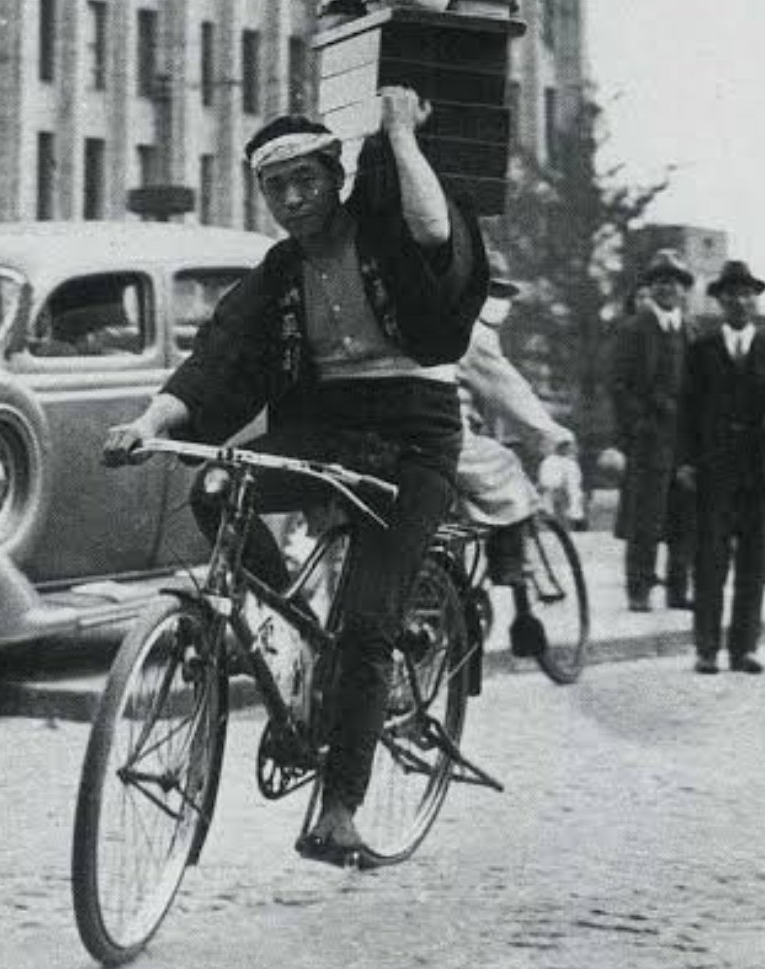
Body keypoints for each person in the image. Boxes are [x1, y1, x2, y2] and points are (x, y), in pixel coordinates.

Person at [103, 87, 488, 863]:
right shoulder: (280, 270)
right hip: (332, 428)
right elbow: (219, 356)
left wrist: (400, 133)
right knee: (217, 487)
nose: (291, 198)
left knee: (369, 622)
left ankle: (339, 807)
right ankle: (289, 629)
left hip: (414, 436)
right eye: (274, 186)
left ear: (335, 177)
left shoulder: (383, 228)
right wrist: (151, 422)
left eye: (305, 179)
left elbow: (434, 230)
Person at [676, 260, 765, 675]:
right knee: (710, 561)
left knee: (754, 564)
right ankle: (706, 649)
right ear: (719, 301)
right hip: (713, 471)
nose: (740, 301)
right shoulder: (701, 351)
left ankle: (745, 648)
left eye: (747, 294)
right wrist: (685, 461)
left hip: (760, 471)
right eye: (731, 294)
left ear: (756, 301)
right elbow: (686, 411)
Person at [454, 262, 585, 652]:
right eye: (493, 293)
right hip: (445, 437)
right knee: (508, 469)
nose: (499, 304)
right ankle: (512, 576)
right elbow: (511, 392)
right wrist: (553, 436)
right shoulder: (473, 333)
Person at [610, 248, 695, 612]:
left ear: (684, 289)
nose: (667, 288)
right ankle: (639, 589)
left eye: (674, 282)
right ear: (651, 286)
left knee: (685, 516)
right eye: (660, 281)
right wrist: (639, 426)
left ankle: (678, 589)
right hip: (649, 439)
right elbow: (619, 386)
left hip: (684, 440)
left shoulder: (691, 331)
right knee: (645, 517)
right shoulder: (634, 329)